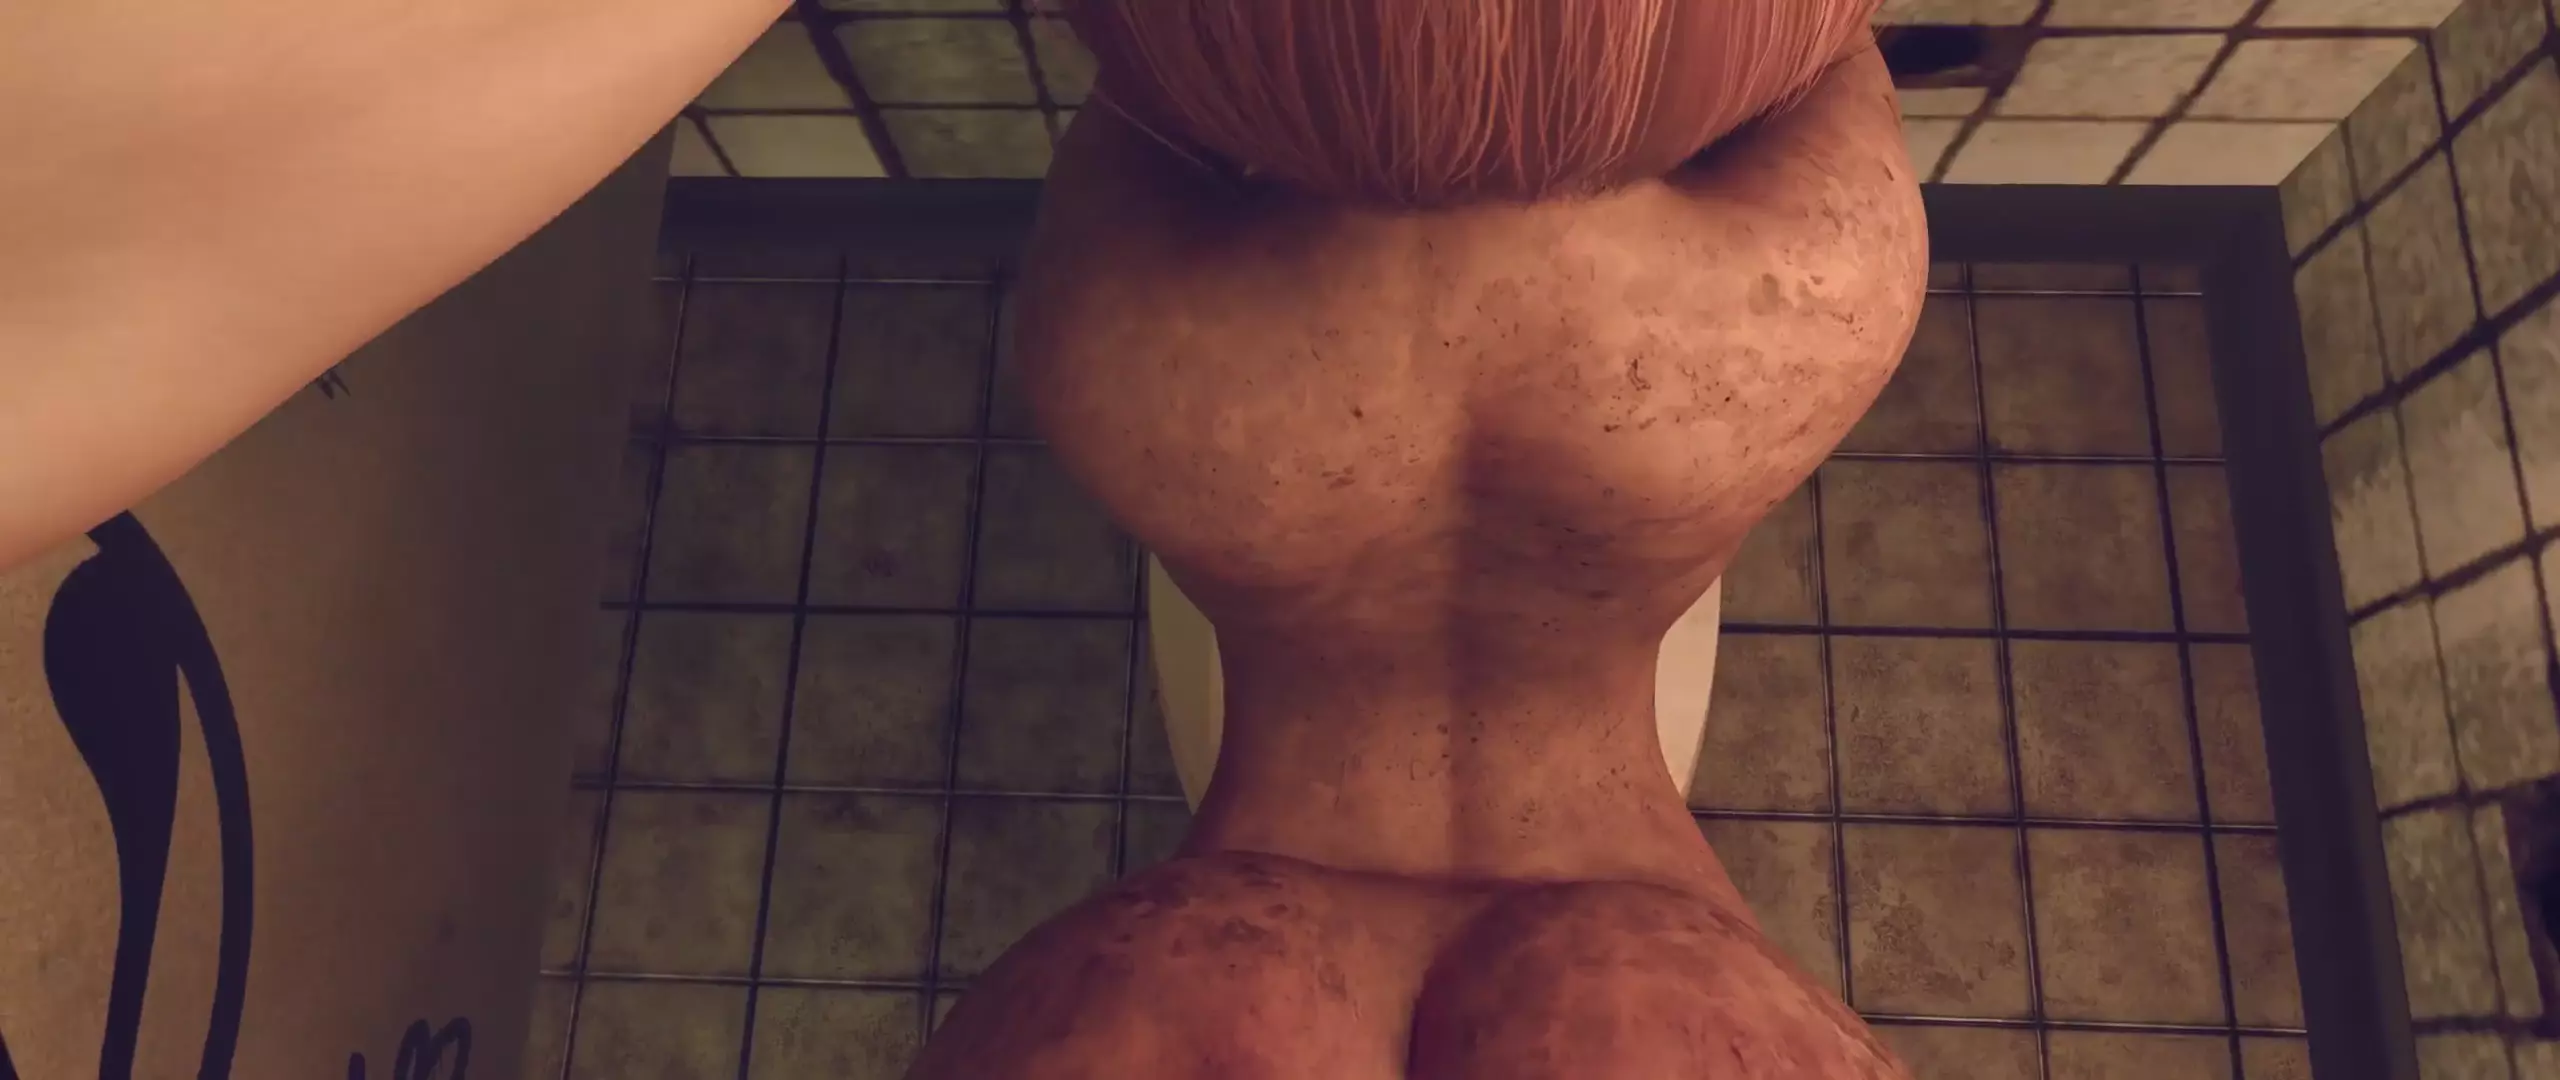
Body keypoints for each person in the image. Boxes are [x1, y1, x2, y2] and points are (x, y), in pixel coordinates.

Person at [2, 0, 1926, 1075]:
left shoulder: (1143, 374)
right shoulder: (1804, 316)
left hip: (1232, 440)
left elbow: (1150, 93)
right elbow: (1825, 54)